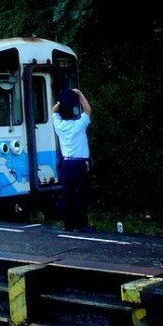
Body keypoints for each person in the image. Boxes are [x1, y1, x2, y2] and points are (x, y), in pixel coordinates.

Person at [52, 87, 93, 232]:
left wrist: (61, 102)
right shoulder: (79, 125)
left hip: (66, 164)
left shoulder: (59, 125)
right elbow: (88, 110)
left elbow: (54, 110)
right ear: (73, 113)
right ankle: (81, 224)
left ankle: (68, 224)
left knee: (67, 194)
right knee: (80, 194)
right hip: (79, 163)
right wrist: (80, 94)